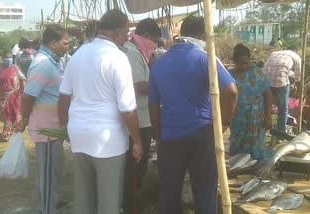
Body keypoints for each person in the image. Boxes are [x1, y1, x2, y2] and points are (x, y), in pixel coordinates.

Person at [148, 16, 238, 214]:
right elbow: (231, 91)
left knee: (168, 194)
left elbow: (153, 103)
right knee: (205, 193)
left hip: (170, 137)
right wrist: (223, 124)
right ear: (201, 35)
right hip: (202, 135)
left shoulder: (159, 63)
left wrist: (158, 133)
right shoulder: (206, 59)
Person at [58, 10, 143, 214]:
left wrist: (64, 127)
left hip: (79, 135)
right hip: (107, 139)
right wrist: (138, 140)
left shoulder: (78, 54)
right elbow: (127, 108)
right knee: (109, 202)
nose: (128, 36)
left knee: (84, 198)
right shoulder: (117, 58)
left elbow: (62, 96)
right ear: (115, 33)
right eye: (126, 32)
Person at [16, 25, 69, 214]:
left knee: (53, 170)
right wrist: (24, 119)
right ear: (53, 43)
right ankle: (47, 209)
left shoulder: (52, 61)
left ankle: (51, 202)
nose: (67, 47)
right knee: (47, 172)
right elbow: (28, 96)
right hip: (46, 130)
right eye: (65, 43)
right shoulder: (42, 64)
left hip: (53, 128)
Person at [123, 18, 161, 214]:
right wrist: (163, 89)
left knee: (139, 166)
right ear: (146, 37)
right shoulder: (132, 53)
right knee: (136, 168)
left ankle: (133, 203)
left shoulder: (141, 53)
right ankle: (132, 207)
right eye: (154, 41)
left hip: (143, 117)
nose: (155, 45)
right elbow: (140, 85)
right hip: (138, 118)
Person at [229, 44, 272, 163]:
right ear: (234, 61)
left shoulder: (257, 73)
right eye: (240, 64)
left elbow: (268, 94)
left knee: (256, 145)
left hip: (256, 117)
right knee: (238, 147)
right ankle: (239, 168)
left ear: (249, 59)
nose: (244, 66)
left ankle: (256, 167)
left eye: (246, 63)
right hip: (237, 117)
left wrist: (268, 116)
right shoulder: (229, 75)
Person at [263, 47, 301, 134]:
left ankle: (263, 129)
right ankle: (281, 133)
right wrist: (296, 88)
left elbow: (265, 68)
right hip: (280, 79)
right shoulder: (297, 57)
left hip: (266, 80)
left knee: (266, 105)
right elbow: (298, 77)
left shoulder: (274, 53)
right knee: (283, 108)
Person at [0, 52, 26, 141]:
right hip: (3, 96)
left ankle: (10, 132)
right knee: (7, 114)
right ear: (2, 58)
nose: (9, 59)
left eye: (10, 57)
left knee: (14, 113)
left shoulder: (15, 67)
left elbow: (22, 78)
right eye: (7, 57)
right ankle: (7, 131)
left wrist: (23, 91)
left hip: (15, 96)